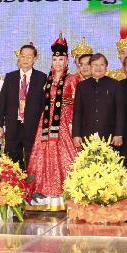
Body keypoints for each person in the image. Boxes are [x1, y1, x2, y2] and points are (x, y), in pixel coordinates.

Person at [28, 35, 80, 209]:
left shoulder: (73, 79)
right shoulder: (47, 79)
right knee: (44, 153)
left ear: (66, 61)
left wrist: (73, 124)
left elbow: (76, 103)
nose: (57, 63)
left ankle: (66, 192)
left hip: (65, 120)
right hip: (46, 121)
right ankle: (44, 191)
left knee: (66, 154)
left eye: (61, 59)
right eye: (55, 59)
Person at [0, 43, 48, 168]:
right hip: (13, 124)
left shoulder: (42, 77)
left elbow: (43, 104)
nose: (25, 59)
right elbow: (2, 101)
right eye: (23, 56)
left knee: (32, 158)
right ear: (19, 57)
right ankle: (14, 180)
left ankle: (31, 180)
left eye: (29, 57)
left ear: (35, 59)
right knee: (12, 161)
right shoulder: (10, 77)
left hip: (33, 125)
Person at [72, 53, 124, 148]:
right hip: (87, 135)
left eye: (101, 65)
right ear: (90, 67)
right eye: (95, 65)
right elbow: (77, 112)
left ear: (106, 66)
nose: (98, 68)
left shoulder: (115, 84)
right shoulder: (82, 86)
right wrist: (76, 135)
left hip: (110, 135)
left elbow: (120, 111)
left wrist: (119, 134)